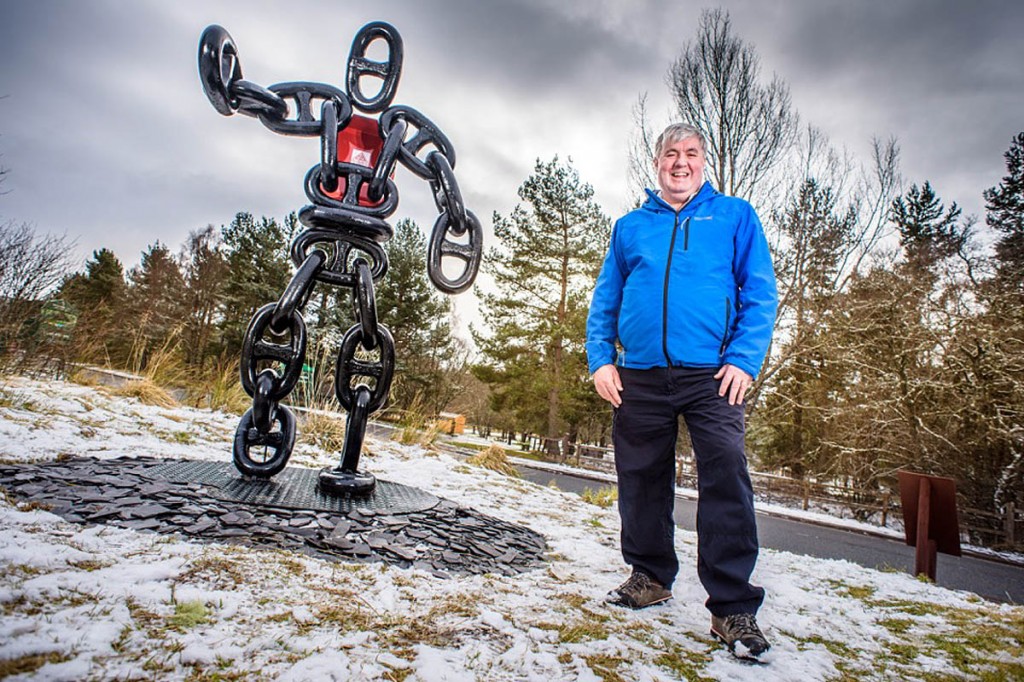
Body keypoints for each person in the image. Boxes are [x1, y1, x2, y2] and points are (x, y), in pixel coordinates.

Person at [585, 122, 778, 659]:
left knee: (726, 474)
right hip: (640, 373)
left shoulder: (735, 217)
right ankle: (649, 576)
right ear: (657, 163)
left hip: (713, 375)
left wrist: (743, 359)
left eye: (691, 153)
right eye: (671, 153)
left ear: (702, 162)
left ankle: (732, 607)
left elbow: (761, 293)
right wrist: (601, 359)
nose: (680, 161)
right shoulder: (629, 227)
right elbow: (606, 298)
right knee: (641, 477)